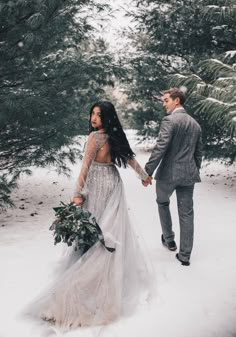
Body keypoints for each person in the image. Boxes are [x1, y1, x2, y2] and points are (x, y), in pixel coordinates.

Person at [28, 101, 153, 329]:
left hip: (97, 185)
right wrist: (144, 176)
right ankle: (105, 276)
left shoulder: (94, 138)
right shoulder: (115, 137)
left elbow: (85, 166)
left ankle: (88, 277)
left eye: (98, 115)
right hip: (112, 184)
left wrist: (78, 193)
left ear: (107, 118)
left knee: (98, 231)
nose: (94, 118)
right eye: (92, 114)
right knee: (107, 230)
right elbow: (130, 160)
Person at [143, 88, 202, 266]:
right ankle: (185, 256)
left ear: (177, 101)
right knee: (187, 213)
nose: (164, 103)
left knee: (162, 202)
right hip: (188, 175)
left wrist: (147, 172)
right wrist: (193, 170)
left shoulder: (169, 120)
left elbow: (160, 148)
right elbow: (198, 153)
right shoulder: (195, 124)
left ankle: (169, 240)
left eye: (166, 100)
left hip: (168, 174)